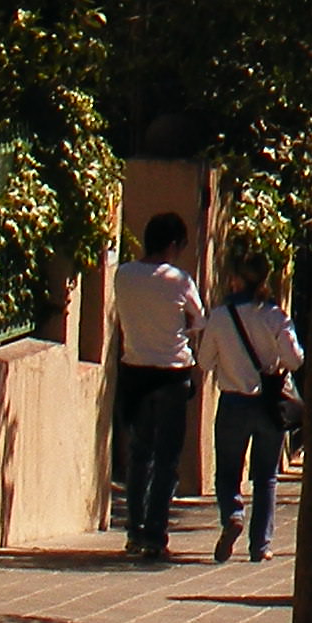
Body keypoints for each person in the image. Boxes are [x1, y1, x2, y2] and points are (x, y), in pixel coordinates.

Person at [110, 210, 206, 561]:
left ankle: (134, 529)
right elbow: (199, 320)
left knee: (139, 453)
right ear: (172, 245)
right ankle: (155, 532)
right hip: (172, 372)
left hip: (135, 370)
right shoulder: (179, 280)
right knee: (167, 458)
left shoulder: (124, 274)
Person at [206, 250, 306, 563]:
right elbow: (295, 360)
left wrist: (228, 361)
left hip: (233, 401)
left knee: (227, 471)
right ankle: (260, 545)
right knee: (265, 477)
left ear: (236, 278)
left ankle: (233, 514)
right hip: (269, 405)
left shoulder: (220, 316)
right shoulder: (275, 316)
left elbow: (204, 360)